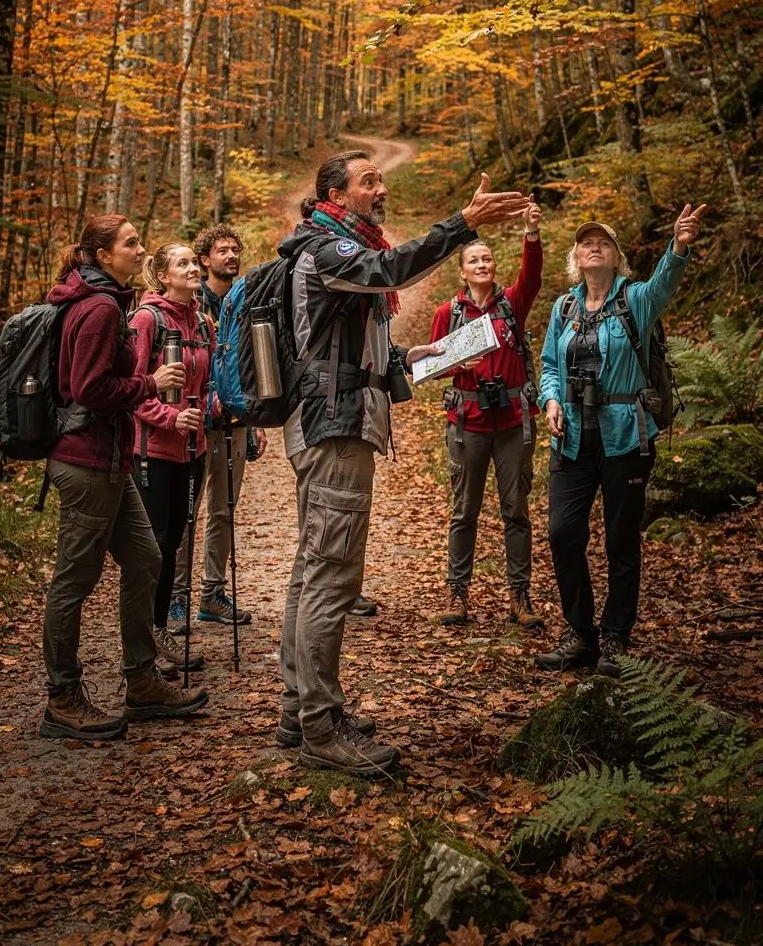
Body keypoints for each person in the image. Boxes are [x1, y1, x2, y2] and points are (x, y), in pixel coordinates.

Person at [277, 151, 531, 776]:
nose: (381, 188)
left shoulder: (342, 250)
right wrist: (461, 224)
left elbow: (362, 351)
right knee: (332, 574)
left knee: (316, 564)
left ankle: (303, 705)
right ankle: (318, 726)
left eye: (381, 177)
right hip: (331, 426)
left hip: (335, 421)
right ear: (335, 194)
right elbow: (392, 267)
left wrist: (425, 356)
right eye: (370, 181)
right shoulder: (324, 249)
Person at [41, 215, 209, 743]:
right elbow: (89, 389)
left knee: (145, 557)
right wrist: (149, 383)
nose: (140, 250)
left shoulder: (103, 300)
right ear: (101, 253)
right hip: (85, 461)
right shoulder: (96, 308)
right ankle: (62, 698)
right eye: (131, 244)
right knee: (75, 577)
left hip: (108, 461)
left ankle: (141, 681)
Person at [537, 204, 706, 677]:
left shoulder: (636, 300)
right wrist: (550, 401)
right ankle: (579, 633)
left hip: (625, 436)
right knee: (562, 533)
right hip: (570, 434)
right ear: (576, 257)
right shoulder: (563, 306)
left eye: (604, 243)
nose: (594, 247)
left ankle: (615, 638)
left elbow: (666, 283)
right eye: (586, 242)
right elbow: (550, 364)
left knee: (620, 540)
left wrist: (679, 245)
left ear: (617, 258)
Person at [429, 200, 544, 629]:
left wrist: (531, 235)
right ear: (462, 271)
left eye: (487, 258)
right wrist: (454, 365)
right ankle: (457, 594)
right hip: (468, 424)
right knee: (465, 511)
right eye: (474, 259)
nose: (482, 263)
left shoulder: (512, 304)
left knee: (516, 510)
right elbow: (428, 364)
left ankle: (520, 596)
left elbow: (531, 278)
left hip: (513, 421)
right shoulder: (449, 313)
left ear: (495, 266)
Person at [168, 225, 266, 633]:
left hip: (237, 420)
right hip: (195, 422)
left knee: (223, 511)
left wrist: (257, 417)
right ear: (204, 259)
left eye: (235, 249)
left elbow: (256, 361)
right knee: (186, 514)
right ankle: (176, 598)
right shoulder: (192, 303)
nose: (231, 255)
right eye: (222, 250)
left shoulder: (245, 300)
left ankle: (211, 594)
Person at [132, 243, 215, 674]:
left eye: (192, 262)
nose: (192, 268)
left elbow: (210, 378)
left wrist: (216, 408)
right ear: (163, 276)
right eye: (182, 263)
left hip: (192, 448)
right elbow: (132, 388)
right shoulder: (146, 319)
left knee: (176, 541)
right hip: (152, 451)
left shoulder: (201, 320)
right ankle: (144, 644)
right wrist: (169, 416)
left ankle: (157, 630)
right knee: (155, 546)